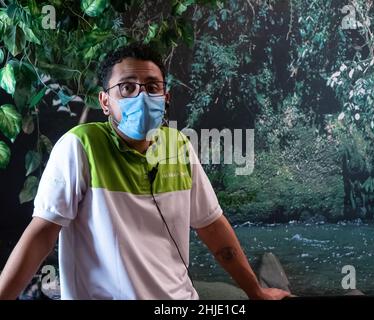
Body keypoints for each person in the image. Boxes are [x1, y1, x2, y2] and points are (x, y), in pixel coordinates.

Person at [0, 44, 290, 300]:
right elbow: (42, 235)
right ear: (104, 101)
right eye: (127, 87)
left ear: (165, 97)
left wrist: (256, 292)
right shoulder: (80, 146)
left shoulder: (178, 146)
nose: (141, 95)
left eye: (152, 87)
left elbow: (212, 227)